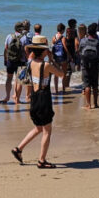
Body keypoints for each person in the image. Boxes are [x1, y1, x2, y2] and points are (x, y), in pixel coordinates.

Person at [10, 36, 66, 169]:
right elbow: (62, 74)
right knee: (47, 130)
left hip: (34, 98)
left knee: (39, 128)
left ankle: (18, 149)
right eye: (46, 50)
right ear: (43, 51)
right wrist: (53, 60)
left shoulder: (30, 62)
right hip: (44, 98)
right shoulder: (46, 65)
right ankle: (41, 160)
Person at [78, 24, 99, 110]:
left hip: (85, 65)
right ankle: (95, 103)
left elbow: (80, 51)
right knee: (95, 85)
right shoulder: (98, 42)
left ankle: (88, 105)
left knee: (87, 85)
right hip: (95, 64)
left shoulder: (83, 41)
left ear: (88, 31)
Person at [3, 22, 27, 104]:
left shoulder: (9, 36)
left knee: (9, 79)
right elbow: (25, 50)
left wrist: (5, 59)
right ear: (21, 29)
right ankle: (17, 99)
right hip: (20, 61)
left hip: (10, 61)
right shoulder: (24, 38)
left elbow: (6, 49)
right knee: (19, 80)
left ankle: (7, 96)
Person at [49, 24, 69, 93]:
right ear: (63, 30)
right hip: (63, 57)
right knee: (63, 73)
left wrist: (51, 57)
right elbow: (65, 47)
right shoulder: (63, 38)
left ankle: (56, 90)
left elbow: (52, 47)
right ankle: (63, 89)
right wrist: (69, 55)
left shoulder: (53, 37)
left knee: (56, 74)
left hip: (55, 57)